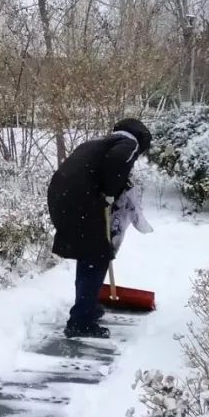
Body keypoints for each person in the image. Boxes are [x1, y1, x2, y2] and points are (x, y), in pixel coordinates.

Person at [46, 118, 151, 338]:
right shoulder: (128, 144)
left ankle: (88, 308)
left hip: (61, 197)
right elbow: (117, 161)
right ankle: (81, 322)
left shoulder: (96, 144)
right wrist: (110, 191)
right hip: (83, 201)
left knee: (89, 255)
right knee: (97, 256)